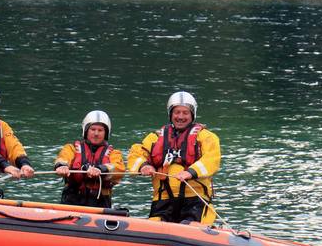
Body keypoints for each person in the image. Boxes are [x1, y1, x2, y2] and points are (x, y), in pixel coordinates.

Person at [127, 91, 221, 224]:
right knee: (155, 228)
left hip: (195, 200)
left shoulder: (206, 137)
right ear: (170, 114)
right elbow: (136, 154)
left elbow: (212, 159)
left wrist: (190, 172)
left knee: (191, 228)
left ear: (192, 115)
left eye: (185, 113)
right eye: (177, 112)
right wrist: (144, 166)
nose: (180, 117)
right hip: (163, 200)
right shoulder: (155, 138)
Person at [54, 110, 124, 208]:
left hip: (100, 202)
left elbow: (119, 169)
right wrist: (62, 166)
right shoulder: (72, 148)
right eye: (93, 129)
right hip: (72, 199)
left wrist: (101, 169)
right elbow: (63, 157)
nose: (96, 133)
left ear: (106, 133)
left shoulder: (114, 153)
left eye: (100, 130)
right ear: (86, 131)